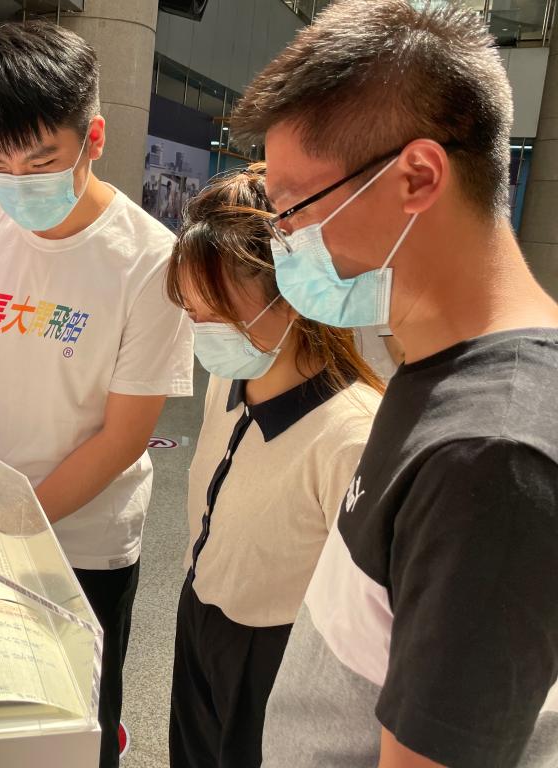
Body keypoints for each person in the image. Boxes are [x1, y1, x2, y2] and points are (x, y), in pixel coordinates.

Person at [231, 2, 558, 766]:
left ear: (417, 176)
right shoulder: (438, 367)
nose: (282, 240)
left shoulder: (492, 456)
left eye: (291, 208)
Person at [0, 21, 194, 768]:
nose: (16, 182)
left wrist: (21, 520)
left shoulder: (148, 259)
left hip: (87, 540)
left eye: (40, 161)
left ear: (93, 138)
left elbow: (123, 435)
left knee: (78, 724)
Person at [165, 165, 382, 768]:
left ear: (294, 297)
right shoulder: (231, 378)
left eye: (216, 312)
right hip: (200, 606)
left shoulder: (352, 437)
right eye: (191, 311)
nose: (200, 331)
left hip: (276, 652)